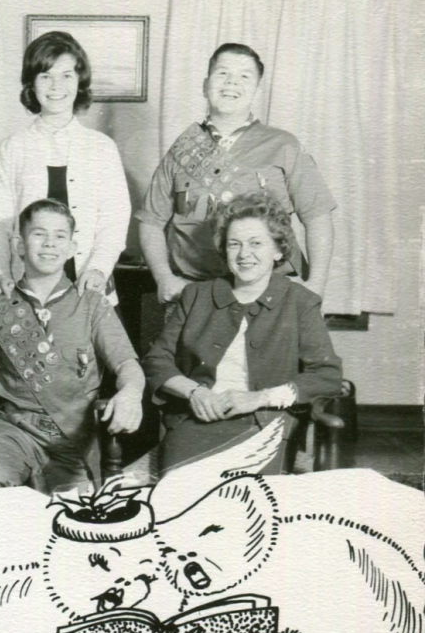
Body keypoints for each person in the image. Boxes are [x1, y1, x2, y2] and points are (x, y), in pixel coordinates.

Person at [0, 199, 144, 494]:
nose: (49, 244)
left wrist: (131, 392)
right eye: (38, 234)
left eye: (60, 236)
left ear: (72, 248)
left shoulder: (92, 305)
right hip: (14, 430)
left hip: (73, 435)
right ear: (19, 245)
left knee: (73, 515)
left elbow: (127, 364)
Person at [142, 191, 342, 476]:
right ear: (224, 250)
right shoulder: (196, 295)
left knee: (245, 500)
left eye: (256, 243)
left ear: (278, 250)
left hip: (266, 423)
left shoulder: (300, 301)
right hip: (196, 418)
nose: (244, 254)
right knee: (179, 496)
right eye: (234, 244)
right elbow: (156, 360)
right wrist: (195, 392)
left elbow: (327, 376)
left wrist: (259, 398)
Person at [137, 43, 335, 306]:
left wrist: (316, 285)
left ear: (257, 89)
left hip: (271, 291)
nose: (232, 83)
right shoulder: (181, 149)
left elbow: (318, 216)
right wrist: (163, 277)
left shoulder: (284, 145)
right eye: (222, 74)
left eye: (244, 76)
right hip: (196, 292)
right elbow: (150, 221)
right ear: (205, 85)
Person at [0, 31, 130, 302]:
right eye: (45, 76)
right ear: (32, 84)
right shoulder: (12, 148)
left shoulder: (102, 148)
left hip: (89, 286)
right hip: (23, 289)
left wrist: (98, 269)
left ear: (79, 82)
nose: (55, 86)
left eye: (66, 75)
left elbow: (114, 220)